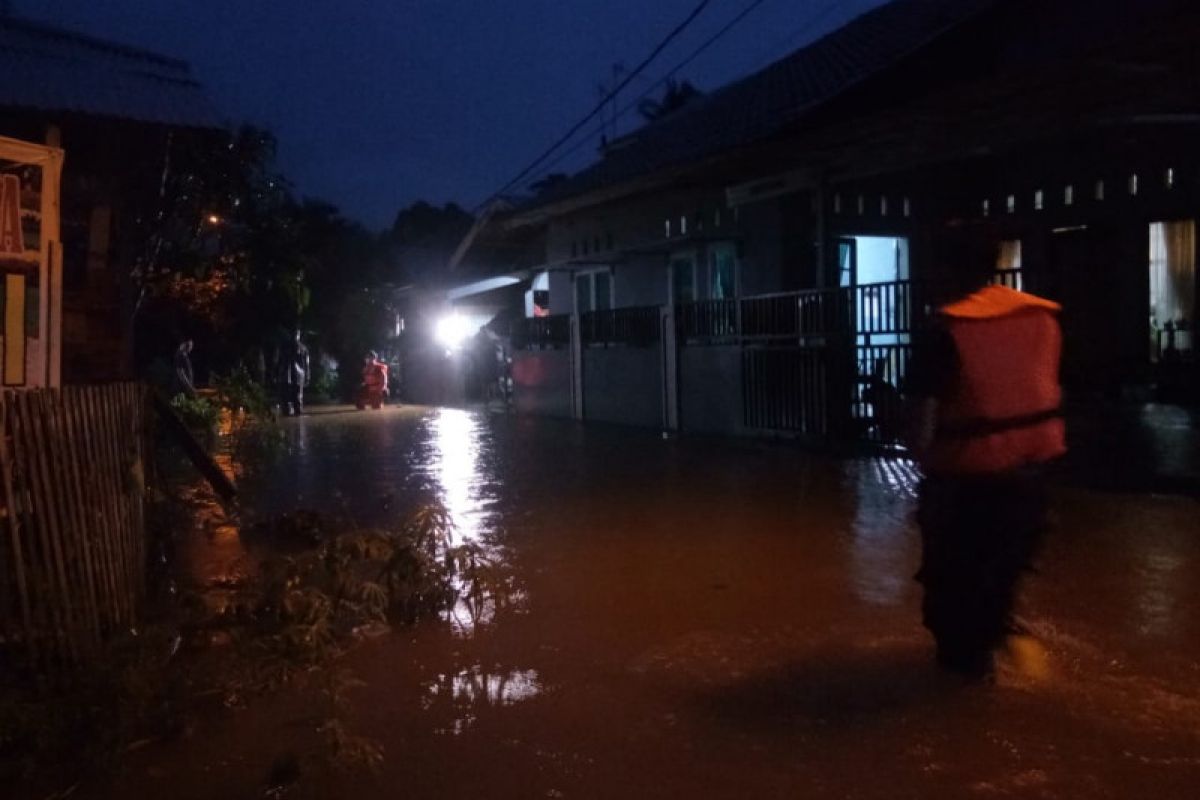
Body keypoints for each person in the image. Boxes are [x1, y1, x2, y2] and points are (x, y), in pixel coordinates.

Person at [906, 253, 1067, 679]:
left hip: (966, 489)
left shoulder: (942, 332)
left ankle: (964, 699)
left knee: (951, 604)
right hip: (1031, 484)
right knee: (1001, 579)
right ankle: (1007, 638)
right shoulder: (1041, 319)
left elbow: (921, 434)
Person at [279, 329, 310, 416]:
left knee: (287, 396)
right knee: (297, 396)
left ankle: (288, 411)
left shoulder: (285, 347)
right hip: (298, 375)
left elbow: (279, 361)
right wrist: (307, 375)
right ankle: (297, 411)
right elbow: (306, 364)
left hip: (287, 375)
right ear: (298, 335)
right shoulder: (303, 348)